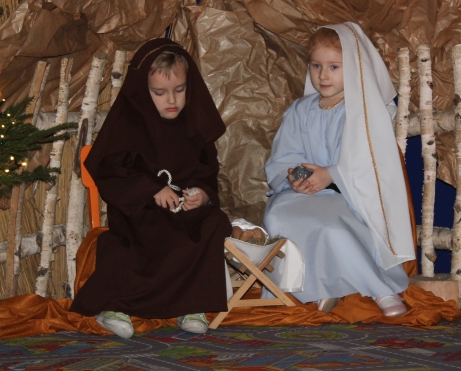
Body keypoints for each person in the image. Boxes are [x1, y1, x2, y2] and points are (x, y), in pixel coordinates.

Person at [70, 39, 231, 338]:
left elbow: (207, 169)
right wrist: (151, 189)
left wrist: (202, 194)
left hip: (183, 209)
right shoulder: (128, 124)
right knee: (140, 236)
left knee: (213, 222)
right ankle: (117, 307)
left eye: (180, 90)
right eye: (160, 92)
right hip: (139, 209)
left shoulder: (193, 123)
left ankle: (191, 305)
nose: (171, 100)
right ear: (144, 91)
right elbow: (109, 167)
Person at [263, 23, 416, 317]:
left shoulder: (362, 112)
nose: (323, 75)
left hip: (348, 194)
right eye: (316, 66)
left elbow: (372, 162)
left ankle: (380, 288)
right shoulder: (300, 110)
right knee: (277, 215)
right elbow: (284, 155)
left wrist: (332, 174)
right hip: (303, 195)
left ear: (355, 68)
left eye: (334, 67)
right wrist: (294, 177)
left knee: (330, 224)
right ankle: (320, 287)